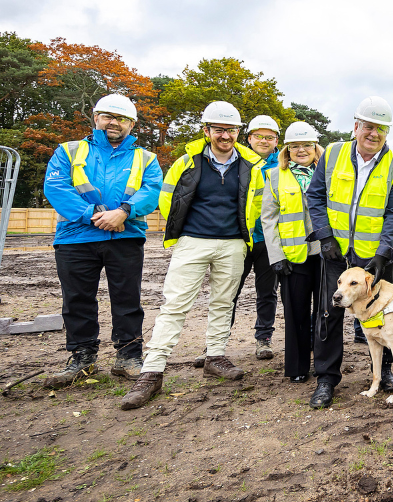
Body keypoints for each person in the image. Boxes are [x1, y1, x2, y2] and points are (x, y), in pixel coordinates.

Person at [121, 101, 264, 410]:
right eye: (219, 130)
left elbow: (259, 205)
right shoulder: (187, 162)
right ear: (207, 131)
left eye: (231, 130)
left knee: (223, 302)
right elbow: (167, 197)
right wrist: (183, 232)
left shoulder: (252, 166)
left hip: (233, 245)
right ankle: (152, 371)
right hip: (193, 242)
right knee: (175, 305)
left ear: (239, 132)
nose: (225, 136)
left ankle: (215, 357)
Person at [42, 94, 162, 387]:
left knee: (127, 298)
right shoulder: (69, 151)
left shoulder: (145, 157)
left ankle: (128, 357)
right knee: (77, 299)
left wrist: (124, 212)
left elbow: (153, 190)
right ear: (95, 118)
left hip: (125, 235)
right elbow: (56, 188)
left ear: (131, 124)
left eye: (121, 118)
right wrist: (95, 214)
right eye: (108, 116)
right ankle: (82, 357)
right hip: (75, 238)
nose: (114, 122)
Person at [305, 96, 393, 409]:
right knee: (329, 312)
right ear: (356, 126)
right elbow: (316, 196)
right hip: (335, 254)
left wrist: (385, 251)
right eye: (368, 126)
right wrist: (324, 237)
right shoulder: (334, 154)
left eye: (381, 129)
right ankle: (326, 378)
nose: (373, 133)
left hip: (375, 259)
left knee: (384, 315)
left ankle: (387, 374)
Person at [192, 114, 282, 368]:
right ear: (248, 138)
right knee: (227, 293)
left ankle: (263, 339)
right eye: (258, 136)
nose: (264, 141)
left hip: (269, 240)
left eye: (270, 137)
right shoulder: (237, 163)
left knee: (267, 293)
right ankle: (214, 345)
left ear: (277, 140)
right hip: (239, 238)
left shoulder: (282, 165)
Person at [261, 122, 324, 383]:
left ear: (315, 147)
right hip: (292, 257)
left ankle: (325, 365)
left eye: (306, 145)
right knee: (296, 313)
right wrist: (276, 256)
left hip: (324, 254)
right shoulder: (275, 176)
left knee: (325, 313)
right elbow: (268, 219)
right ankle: (297, 367)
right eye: (295, 146)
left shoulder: (328, 173)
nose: (301, 150)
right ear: (286, 149)